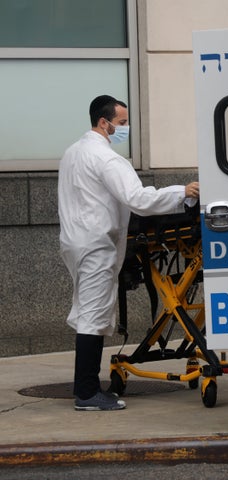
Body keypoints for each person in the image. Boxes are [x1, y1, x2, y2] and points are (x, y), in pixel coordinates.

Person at [58, 95, 200, 411]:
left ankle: (88, 388)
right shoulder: (106, 159)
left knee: (87, 312)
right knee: (93, 317)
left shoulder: (72, 153)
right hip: (96, 244)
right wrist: (182, 192)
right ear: (104, 123)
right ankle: (86, 393)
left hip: (76, 242)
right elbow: (137, 198)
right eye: (122, 123)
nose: (125, 128)